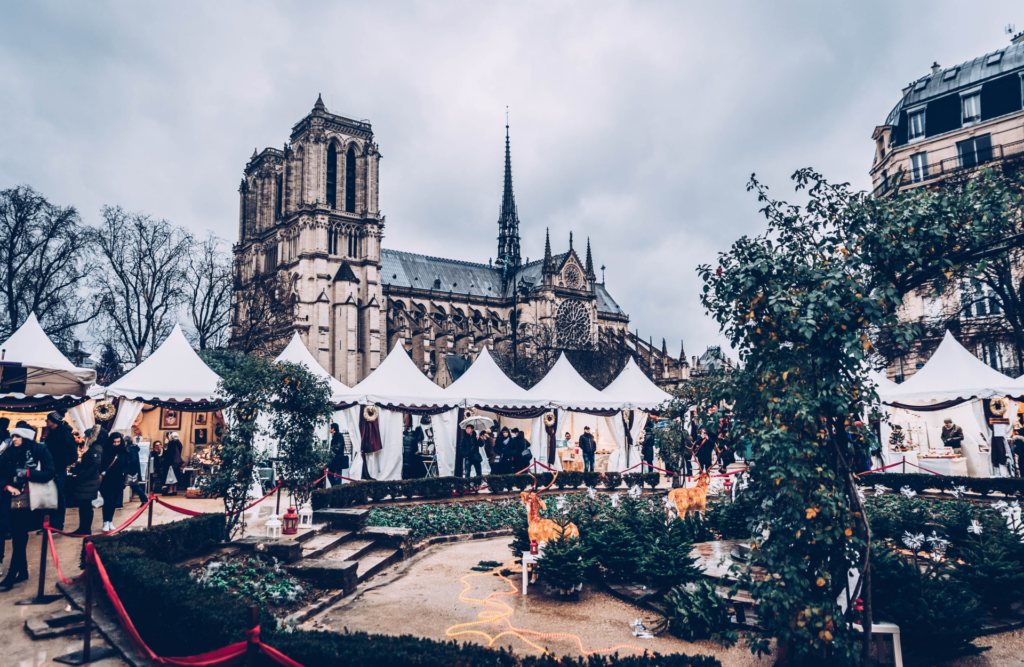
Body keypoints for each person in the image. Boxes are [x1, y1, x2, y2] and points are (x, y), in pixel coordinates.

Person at [0, 425, 56, 590]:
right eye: (13, 436)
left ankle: (12, 575)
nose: (14, 439)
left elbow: (50, 472)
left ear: (25, 437)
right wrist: (7, 486)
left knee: (19, 534)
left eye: (17, 436)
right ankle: (22, 571)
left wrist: (28, 473)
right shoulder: (9, 452)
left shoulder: (40, 450)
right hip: (15, 499)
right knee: (19, 534)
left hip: (35, 499)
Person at [68, 426, 105, 535]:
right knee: (84, 507)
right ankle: (83, 528)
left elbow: (95, 465)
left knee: (85, 507)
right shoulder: (93, 447)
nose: (84, 437)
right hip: (87, 481)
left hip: (89, 482)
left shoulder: (96, 448)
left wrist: (83, 474)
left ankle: (85, 529)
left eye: (85, 435)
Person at [42, 412, 76, 532]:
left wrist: (59, 468)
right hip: (51, 469)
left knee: (59, 496)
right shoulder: (53, 433)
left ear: (54, 421)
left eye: (48, 420)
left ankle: (57, 524)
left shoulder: (64, 435)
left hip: (57, 470)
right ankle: (50, 523)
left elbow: (70, 454)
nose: (46, 422)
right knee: (50, 496)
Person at [99, 432, 129, 533]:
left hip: (118, 479)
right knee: (109, 501)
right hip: (107, 480)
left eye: (118, 442)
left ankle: (110, 521)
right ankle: (105, 522)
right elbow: (100, 463)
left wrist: (125, 471)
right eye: (114, 442)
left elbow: (127, 463)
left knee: (114, 502)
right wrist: (102, 471)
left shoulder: (123, 451)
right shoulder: (105, 450)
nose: (116, 444)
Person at [125, 435, 149, 503]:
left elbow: (134, 460)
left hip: (132, 472)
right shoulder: (132, 448)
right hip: (133, 471)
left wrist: (126, 462)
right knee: (135, 487)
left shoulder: (131, 449)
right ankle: (144, 500)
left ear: (126, 442)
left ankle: (144, 500)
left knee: (135, 487)